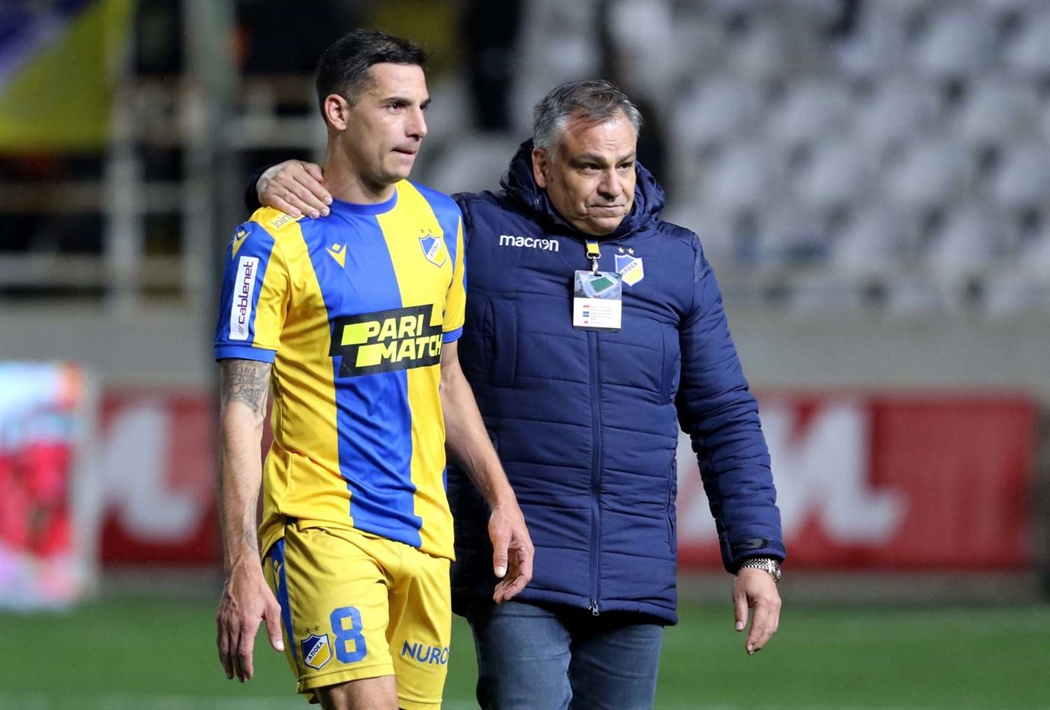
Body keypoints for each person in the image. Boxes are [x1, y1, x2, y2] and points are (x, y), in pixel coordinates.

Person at [251, 79, 784, 710]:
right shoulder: (472, 234)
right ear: (543, 164)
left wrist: (755, 555)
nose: (614, 186)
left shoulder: (676, 260)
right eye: (590, 166)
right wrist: (276, 179)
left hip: (633, 571)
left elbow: (724, 416)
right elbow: (370, 213)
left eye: (625, 166)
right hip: (515, 564)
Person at [214, 29, 533, 710]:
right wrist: (241, 559)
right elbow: (243, 408)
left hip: (426, 531)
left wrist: (501, 498)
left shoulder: (442, 222)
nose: (419, 127)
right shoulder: (269, 241)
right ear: (337, 111)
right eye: (395, 107)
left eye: (422, 107)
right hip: (319, 522)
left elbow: (446, 376)